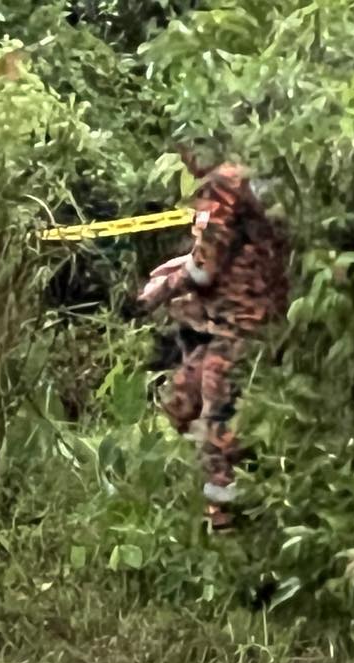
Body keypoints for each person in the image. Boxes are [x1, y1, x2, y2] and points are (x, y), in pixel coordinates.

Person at [139, 155, 289, 528]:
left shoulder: (225, 184)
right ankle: (208, 499)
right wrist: (181, 266)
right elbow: (222, 251)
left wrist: (159, 292)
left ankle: (230, 527)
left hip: (242, 326)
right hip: (244, 323)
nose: (186, 160)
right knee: (181, 400)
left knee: (219, 430)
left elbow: (204, 270)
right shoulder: (258, 178)